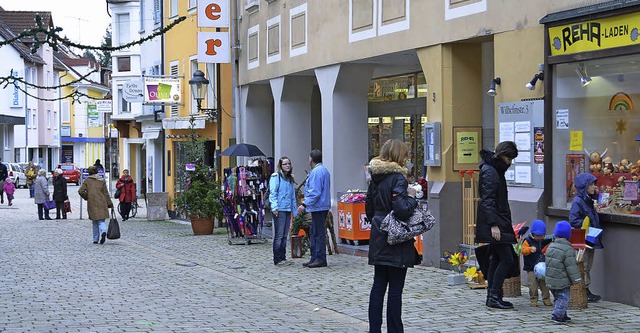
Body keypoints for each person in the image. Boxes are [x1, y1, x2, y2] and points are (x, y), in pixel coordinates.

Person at [365, 139, 420, 333]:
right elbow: (401, 210)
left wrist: (380, 222)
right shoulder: (398, 178)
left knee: (378, 285)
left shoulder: (375, 178)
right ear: (399, 155)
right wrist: (412, 197)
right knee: (395, 289)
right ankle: (395, 330)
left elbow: (369, 209)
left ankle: (374, 330)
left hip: (379, 235)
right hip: (396, 239)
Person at [475, 140, 519, 309]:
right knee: (506, 259)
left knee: (497, 259)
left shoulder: (494, 169)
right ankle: (494, 295)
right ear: (502, 155)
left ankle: (493, 296)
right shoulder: (491, 171)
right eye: (509, 158)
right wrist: (494, 224)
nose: (510, 162)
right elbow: (488, 200)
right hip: (496, 222)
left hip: (499, 220)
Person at [569, 172, 602, 302]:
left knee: (588, 265)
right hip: (583, 238)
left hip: (591, 237)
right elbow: (573, 220)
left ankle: (585, 288)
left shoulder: (588, 199)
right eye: (592, 184)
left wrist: (596, 193)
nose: (594, 187)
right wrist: (585, 223)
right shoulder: (578, 201)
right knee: (584, 264)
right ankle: (583, 289)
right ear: (584, 186)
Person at [297, 149, 331, 268]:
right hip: (319, 206)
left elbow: (315, 192)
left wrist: (304, 204)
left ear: (311, 159)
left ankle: (320, 258)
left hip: (318, 206)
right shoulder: (322, 170)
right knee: (314, 231)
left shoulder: (317, 172)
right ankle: (315, 257)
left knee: (318, 233)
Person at [545, 221, 582, 324]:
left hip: (551, 279)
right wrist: (576, 279)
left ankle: (563, 315)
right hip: (562, 280)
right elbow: (571, 266)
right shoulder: (568, 249)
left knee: (558, 298)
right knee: (563, 298)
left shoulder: (551, 246)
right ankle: (557, 316)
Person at [269, 157, 298, 266]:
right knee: (279, 235)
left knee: (285, 235)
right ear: (280, 166)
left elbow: (292, 197)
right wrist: (275, 207)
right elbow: (273, 193)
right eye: (285, 164)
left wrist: (294, 211)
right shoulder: (276, 177)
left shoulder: (290, 179)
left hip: (287, 209)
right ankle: (277, 259)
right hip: (279, 209)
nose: (287, 165)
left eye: (289, 163)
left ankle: (283, 257)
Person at [78, 166, 113, 244]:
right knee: (101, 220)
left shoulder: (87, 181)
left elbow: (81, 191)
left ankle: (95, 239)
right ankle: (103, 231)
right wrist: (109, 203)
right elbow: (106, 193)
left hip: (92, 202)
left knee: (94, 221)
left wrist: (87, 196)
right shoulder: (101, 180)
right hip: (102, 202)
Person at [521, 219, 552, 307]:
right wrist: (530, 249)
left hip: (542, 268)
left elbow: (550, 239)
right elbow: (523, 251)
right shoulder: (527, 241)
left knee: (544, 285)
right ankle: (533, 299)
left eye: (542, 236)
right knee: (533, 285)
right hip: (531, 268)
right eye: (538, 236)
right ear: (533, 234)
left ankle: (546, 298)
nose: (539, 238)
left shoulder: (543, 240)